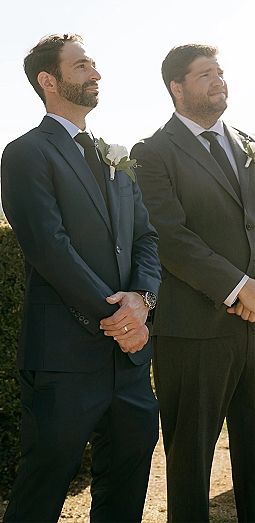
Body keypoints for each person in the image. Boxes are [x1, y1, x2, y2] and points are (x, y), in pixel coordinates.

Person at [1, 34, 161, 523]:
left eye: (94, 64)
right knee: (42, 489)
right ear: (48, 81)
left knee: (127, 486)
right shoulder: (26, 152)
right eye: (82, 65)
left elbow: (147, 240)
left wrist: (143, 301)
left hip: (130, 362)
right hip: (64, 359)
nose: (95, 73)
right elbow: (50, 248)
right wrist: (118, 316)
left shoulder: (116, 156)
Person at [133, 44, 255, 523]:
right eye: (206, 74)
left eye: (221, 72)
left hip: (254, 325)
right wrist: (238, 287)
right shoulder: (153, 152)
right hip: (193, 332)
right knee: (190, 464)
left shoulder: (248, 142)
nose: (219, 79)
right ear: (176, 87)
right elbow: (168, 234)